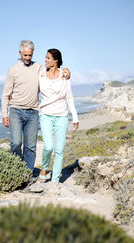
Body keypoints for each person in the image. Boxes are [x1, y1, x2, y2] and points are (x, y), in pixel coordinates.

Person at [1, 40, 70, 173]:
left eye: (30, 55)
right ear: (20, 53)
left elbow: (53, 71)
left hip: (33, 112)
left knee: (31, 147)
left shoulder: (38, 68)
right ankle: (15, 172)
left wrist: (66, 70)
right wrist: (4, 114)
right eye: (25, 55)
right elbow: (5, 94)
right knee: (16, 143)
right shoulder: (12, 70)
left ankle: (26, 174)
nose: (27, 58)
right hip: (16, 111)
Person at [38, 48, 79, 183]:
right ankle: (44, 168)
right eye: (45, 58)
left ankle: (55, 180)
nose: (45, 60)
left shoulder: (64, 75)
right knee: (48, 146)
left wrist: (75, 117)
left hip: (61, 116)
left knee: (59, 150)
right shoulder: (41, 74)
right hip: (45, 114)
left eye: (48, 58)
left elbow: (69, 97)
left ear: (56, 60)